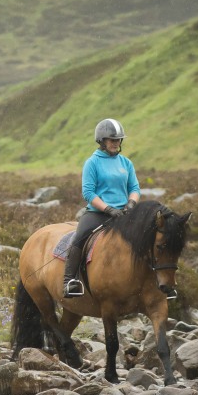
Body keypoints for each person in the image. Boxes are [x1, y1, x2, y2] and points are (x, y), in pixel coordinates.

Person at [63, 118, 140, 298]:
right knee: (79, 238)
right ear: (102, 141)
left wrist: (131, 204)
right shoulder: (92, 162)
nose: (116, 143)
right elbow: (88, 193)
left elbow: (134, 188)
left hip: (125, 213)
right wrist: (108, 209)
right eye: (113, 140)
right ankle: (69, 281)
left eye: (119, 140)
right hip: (99, 213)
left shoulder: (126, 163)